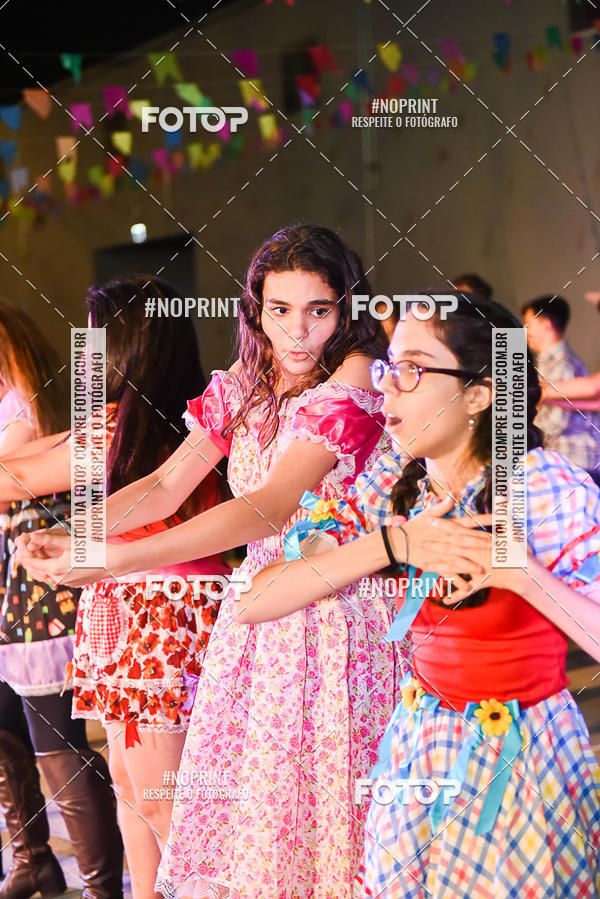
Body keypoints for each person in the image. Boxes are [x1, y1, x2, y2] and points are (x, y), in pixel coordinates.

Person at [18, 223, 403, 899]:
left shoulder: (353, 378)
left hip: (332, 619)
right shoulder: (247, 381)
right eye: (279, 310)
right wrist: (79, 534)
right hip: (254, 626)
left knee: (326, 826)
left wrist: (104, 562)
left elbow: (269, 507)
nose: (298, 333)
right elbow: (166, 485)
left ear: (346, 309)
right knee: (246, 826)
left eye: (319, 310)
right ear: (254, 310)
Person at [247, 295, 600, 897]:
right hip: (421, 742)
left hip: (522, 753)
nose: (387, 390)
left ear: (480, 393)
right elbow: (259, 597)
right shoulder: (391, 483)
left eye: (411, 369)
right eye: (387, 367)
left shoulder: (544, 488)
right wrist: (393, 545)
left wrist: (522, 575)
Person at [2, 276, 230, 899]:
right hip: (126, 605)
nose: (84, 351)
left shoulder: (152, 426)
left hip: (162, 611)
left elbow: (16, 477)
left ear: (130, 344)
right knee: (135, 789)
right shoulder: (130, 422)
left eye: (95, 334)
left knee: (165, 800)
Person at [0, 301, 120, 899]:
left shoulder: (38, 397)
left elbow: (20, 478)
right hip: (20, 584)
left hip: (48, 588)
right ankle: (35, 859)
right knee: (19, 735)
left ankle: (102, 886)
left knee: (63, 744)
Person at [522, 295, 600, 479]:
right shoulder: (549, 363)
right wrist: (541, 394)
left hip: (578, 461)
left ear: (546, 324)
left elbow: (593, 389)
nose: (524, 331)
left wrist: (537, 392)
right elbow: (592, 401)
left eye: (528, 324)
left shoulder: (563, 362)